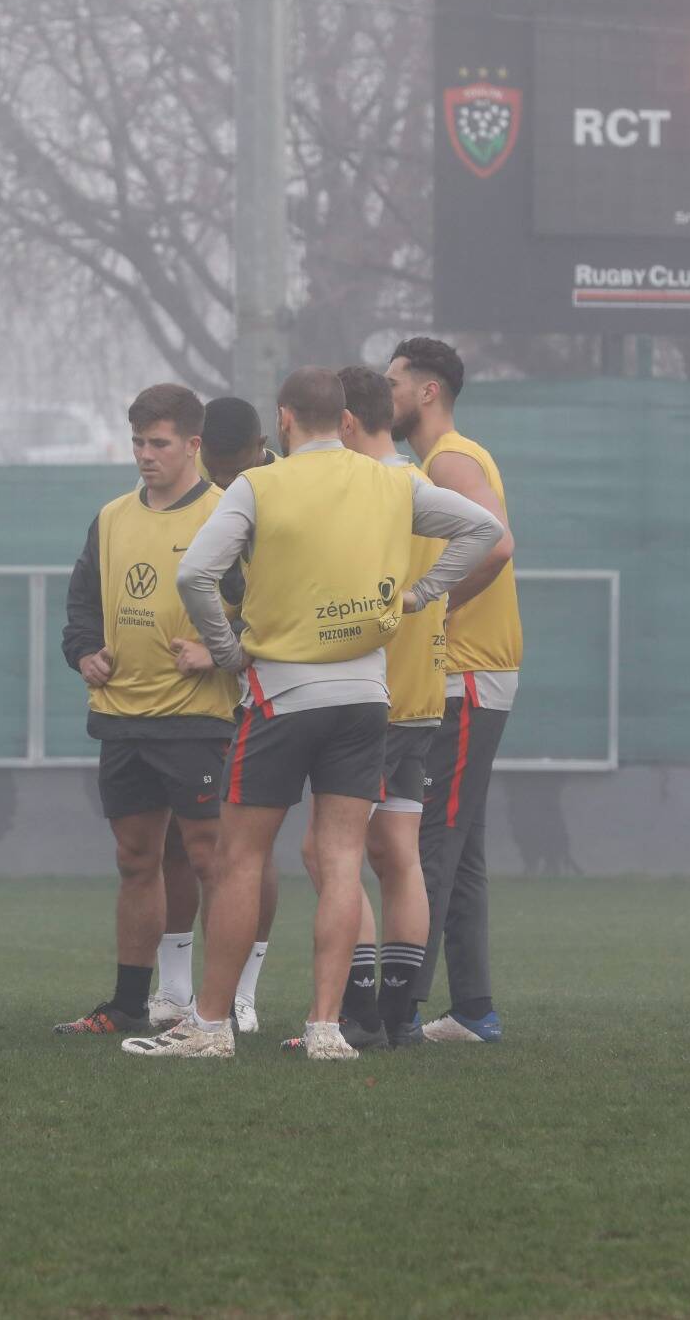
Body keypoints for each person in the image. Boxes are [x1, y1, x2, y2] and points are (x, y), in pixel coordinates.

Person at [124, 366, 507, 1061]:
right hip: (366, 696)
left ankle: (209, 1025)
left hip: (282, 694)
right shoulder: (394, 481)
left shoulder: (262, 484)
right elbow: (482, 530)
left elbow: (193, 575)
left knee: (241, 859)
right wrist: (422, 594)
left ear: (286, 420)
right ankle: (328, 1026)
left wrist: (228, 650)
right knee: (341, 862)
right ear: (347, 418)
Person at [55, 383, 241, 1037]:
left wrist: (220, 652)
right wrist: (84, 653)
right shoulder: (111, 517)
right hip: (123, 717)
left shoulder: (227, 512)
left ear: (193, 444)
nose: (145, 455)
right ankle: (129, 1003)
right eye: (137, 441)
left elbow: (264, 609)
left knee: (209, 859)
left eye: (158, 443)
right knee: (135, 858)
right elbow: (81, 604)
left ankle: (218, 1009)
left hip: (196, 721)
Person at [284, 366, 444, 1053]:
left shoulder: (376, 489)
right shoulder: (422, 484)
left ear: (345, 423)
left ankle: (357, 1008)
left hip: (376, 690)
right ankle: (402, 1014)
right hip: (424, 691)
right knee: (399, 854)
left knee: (328, 851)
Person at [385, 337, 522, 1045]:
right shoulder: (443, 459)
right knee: (459, 850)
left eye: (394, 381)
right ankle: (473, 1011)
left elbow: (495, 544)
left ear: (427, 391)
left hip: (465, 673)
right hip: (471, 672)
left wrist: (430, 599)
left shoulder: (447, 460)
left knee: (429, 846)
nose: (387, 394)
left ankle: (396, 1011)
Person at [148, 396, 283, 1032]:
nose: (228, 484)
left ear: (259, 447)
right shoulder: (224, 503)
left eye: (235, 469)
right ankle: (184, 994)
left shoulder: (282, 493)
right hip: (233, 699)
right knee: (195, 846)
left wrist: (227, 653)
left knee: (255, 849)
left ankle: (243, 995)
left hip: (283, 694)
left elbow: (295, 603)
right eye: (221, 473)